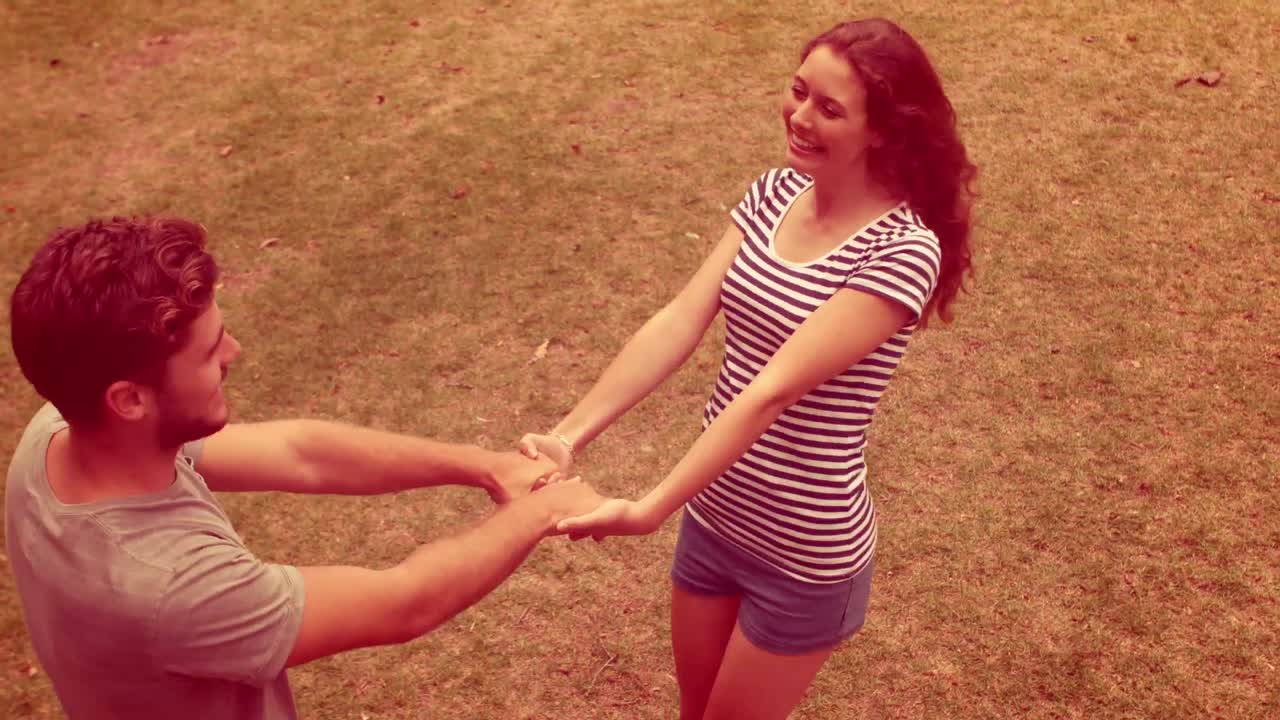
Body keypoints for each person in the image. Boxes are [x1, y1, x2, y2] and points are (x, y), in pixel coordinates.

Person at [518, 18, 977, 720]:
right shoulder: (771, 195)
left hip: (804, 555)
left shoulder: (902, 250)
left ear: (882, 130)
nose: (799, 117)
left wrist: (648, 509)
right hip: (715, 523)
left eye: (829, 109)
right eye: (798, 93)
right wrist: (569, 434)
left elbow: (773, 391)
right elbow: (678, 320)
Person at [5, 216, 603, 720]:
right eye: (211, 352)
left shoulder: (60, 432)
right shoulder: (171, 586)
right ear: (129, 399)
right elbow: (405, 602)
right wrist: (544, 508)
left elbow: (301, 453)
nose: (234, 354)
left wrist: (486, 467)